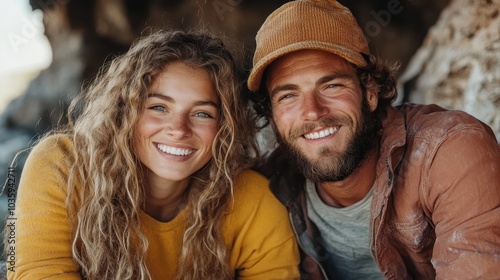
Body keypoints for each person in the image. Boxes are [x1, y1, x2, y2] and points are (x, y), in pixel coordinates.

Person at [6, 29, 300, 280]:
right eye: (159, 107)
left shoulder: (253, 201)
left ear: (225, 127)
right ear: (125, 111)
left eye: (202, 113)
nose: (178, 129)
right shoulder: (61, 165)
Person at [247, 0, 500, 279]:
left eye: (331, 86)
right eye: (288, 96)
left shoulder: (449, 152)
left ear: (369, 92)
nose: (313, 112)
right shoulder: (263, 186)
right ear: (271, 116)